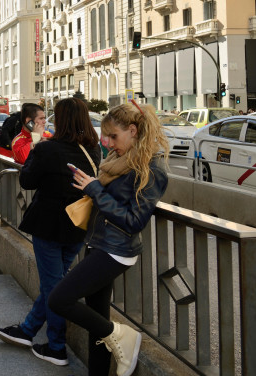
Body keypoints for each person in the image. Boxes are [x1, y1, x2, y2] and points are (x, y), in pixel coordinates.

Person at [48, 102, 169, 376]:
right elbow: (114, 199)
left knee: (59, 300)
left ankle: (123, 335)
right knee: (96, 321)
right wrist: (92, 186)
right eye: (107, 137)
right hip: (98, 244)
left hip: (115, 250)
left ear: (133, 130)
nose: (108, 143)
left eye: (114, 137)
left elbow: (134, 220)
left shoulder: (152, 167)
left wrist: (96, 190)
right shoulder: (120, 162)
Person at [0, 97, 102, 366]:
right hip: (78, 227)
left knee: (53, 287)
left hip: (49, 227)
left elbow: (26, 180)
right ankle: (27, 330)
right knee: (56, 283)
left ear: (61, 120)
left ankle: (56, 347)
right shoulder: (93, 148)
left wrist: (37, 145)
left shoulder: (48, 149)